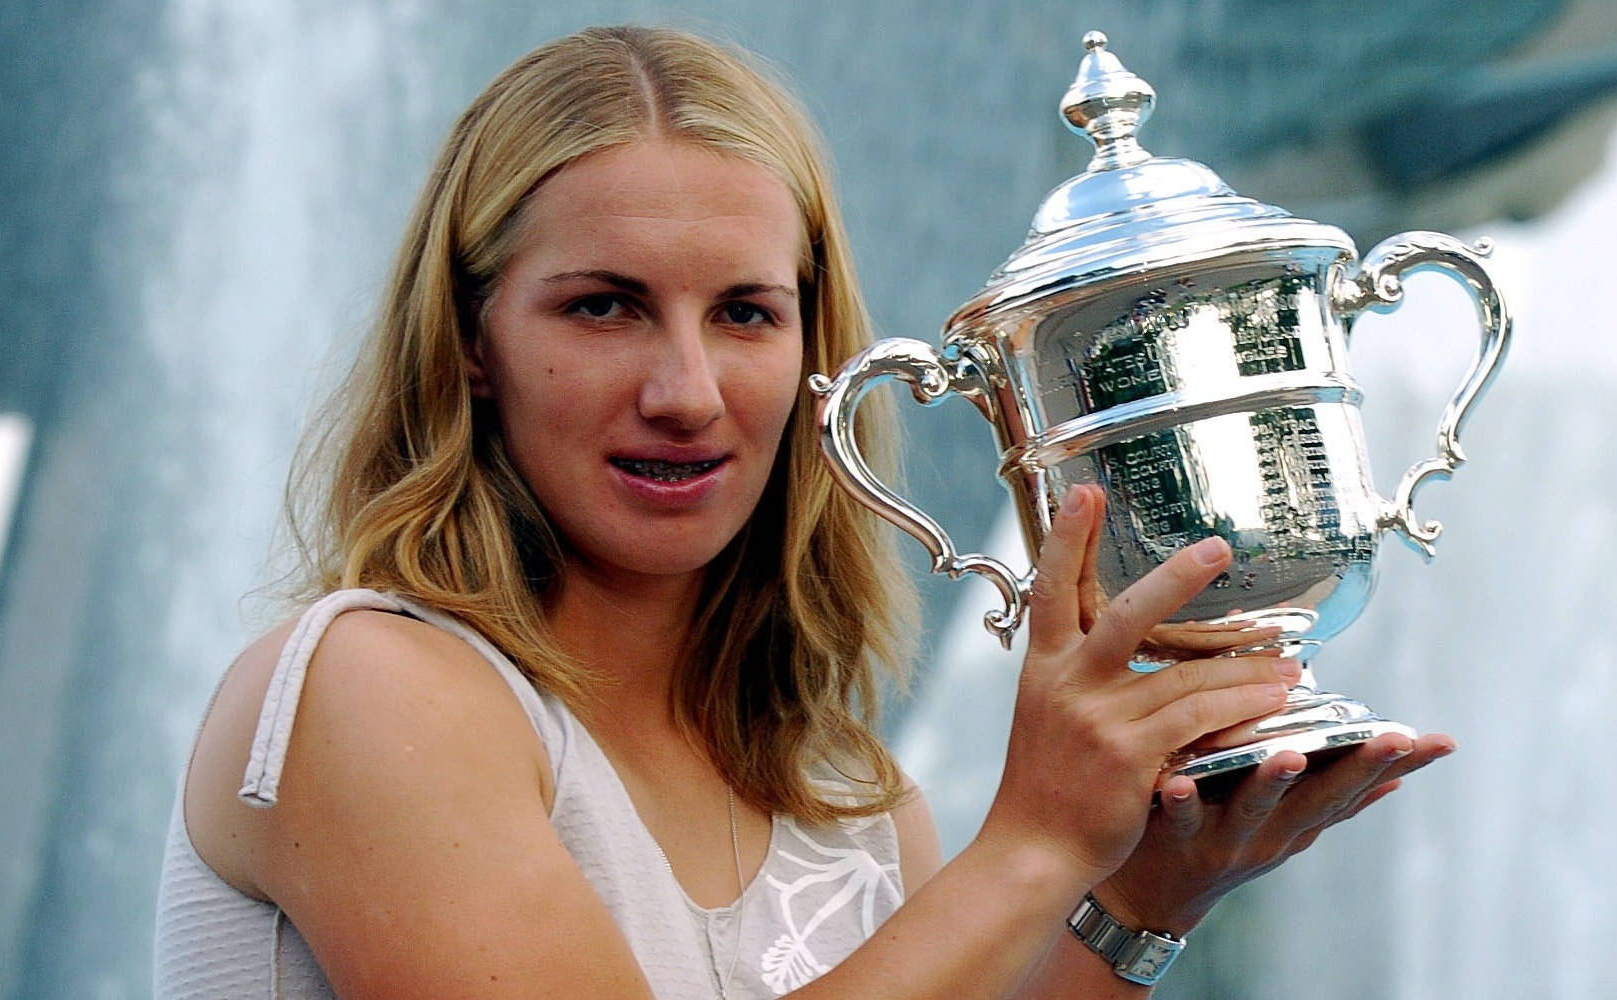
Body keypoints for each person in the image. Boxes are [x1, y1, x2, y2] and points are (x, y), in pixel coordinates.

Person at [152, 24, 1453, 1000]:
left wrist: (1131, 902)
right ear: (473, 341)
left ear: (813, 354)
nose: (686, 390)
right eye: (602, 305)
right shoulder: (367, 691)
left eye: (744, 314)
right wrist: (1038, 839)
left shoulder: (846, 796)